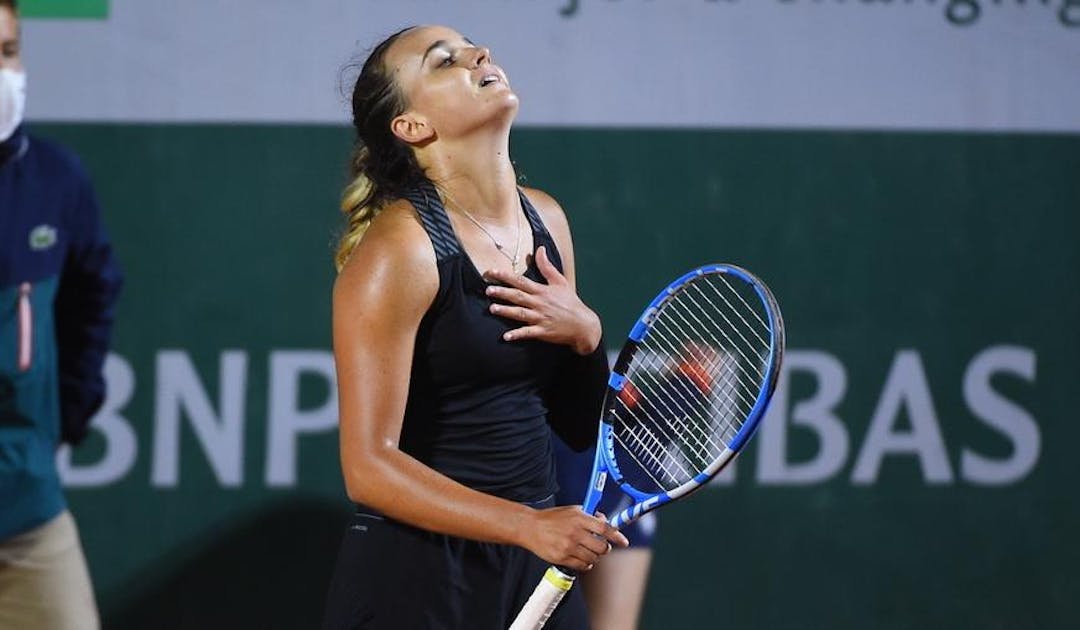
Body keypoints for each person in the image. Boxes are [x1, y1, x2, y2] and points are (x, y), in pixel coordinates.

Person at [323, 25, 628, 629]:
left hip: (534, 566)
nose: (479, 55)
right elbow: (368, 468)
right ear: (413, 127)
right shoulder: (399, 251)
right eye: (445, 62)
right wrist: (526, 525)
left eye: (471, 47)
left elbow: (573, 424)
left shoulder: (547, 220)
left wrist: (588, 337)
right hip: (416, 581)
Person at [0, 1, 123, 628]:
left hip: (27, 513)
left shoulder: (55, 178)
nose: (2, 73)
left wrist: (64, 419)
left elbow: (91, 302)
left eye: (8, 51)